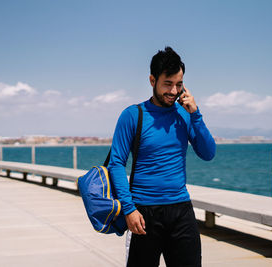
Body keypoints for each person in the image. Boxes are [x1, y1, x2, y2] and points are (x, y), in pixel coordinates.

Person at [109, 46, 216, 267]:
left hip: (181, 211)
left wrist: (195, 114)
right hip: (143, 213)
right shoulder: (132, 115)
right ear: (152, 80)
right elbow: (116, 163)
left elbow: (208, 153)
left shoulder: (185, 114)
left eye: (179, 84)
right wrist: (129, 209)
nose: (174, 91)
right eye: (167, 84)